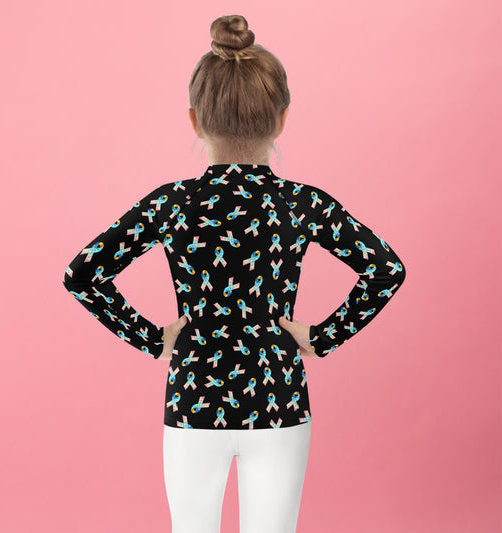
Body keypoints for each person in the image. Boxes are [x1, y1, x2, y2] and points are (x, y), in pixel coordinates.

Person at [62, 14, 407, 533]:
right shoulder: (301, 203)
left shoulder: (173, 203)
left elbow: (82, 274)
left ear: (195, 120)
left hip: (193, 396)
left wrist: (152, 338)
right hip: (278, 399)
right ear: (282, 119)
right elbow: (386, 269)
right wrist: (322, 337)